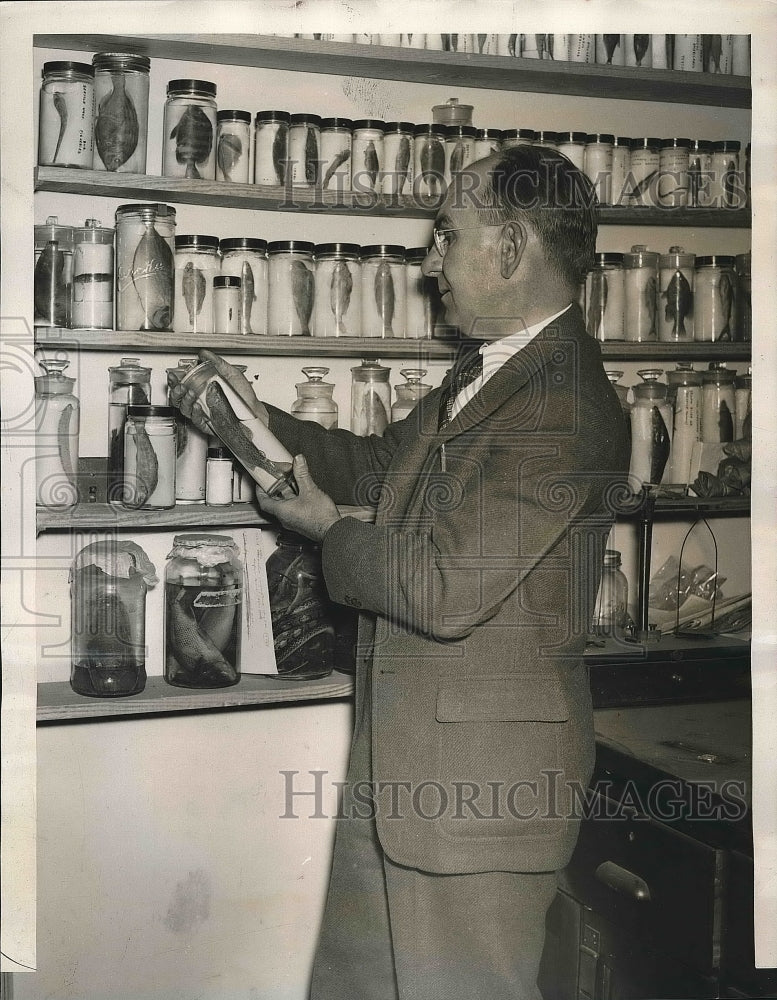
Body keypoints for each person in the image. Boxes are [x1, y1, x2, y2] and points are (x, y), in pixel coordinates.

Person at [171, 145, 630, 1000]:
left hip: (478, 800)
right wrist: (248, 415)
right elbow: (378, 467)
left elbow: (445, 588)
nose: (429, 265)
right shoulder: (490, 373)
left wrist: (323, 532)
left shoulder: (561, 404)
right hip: (406, 777)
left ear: (509, 248)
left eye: (444, 237)